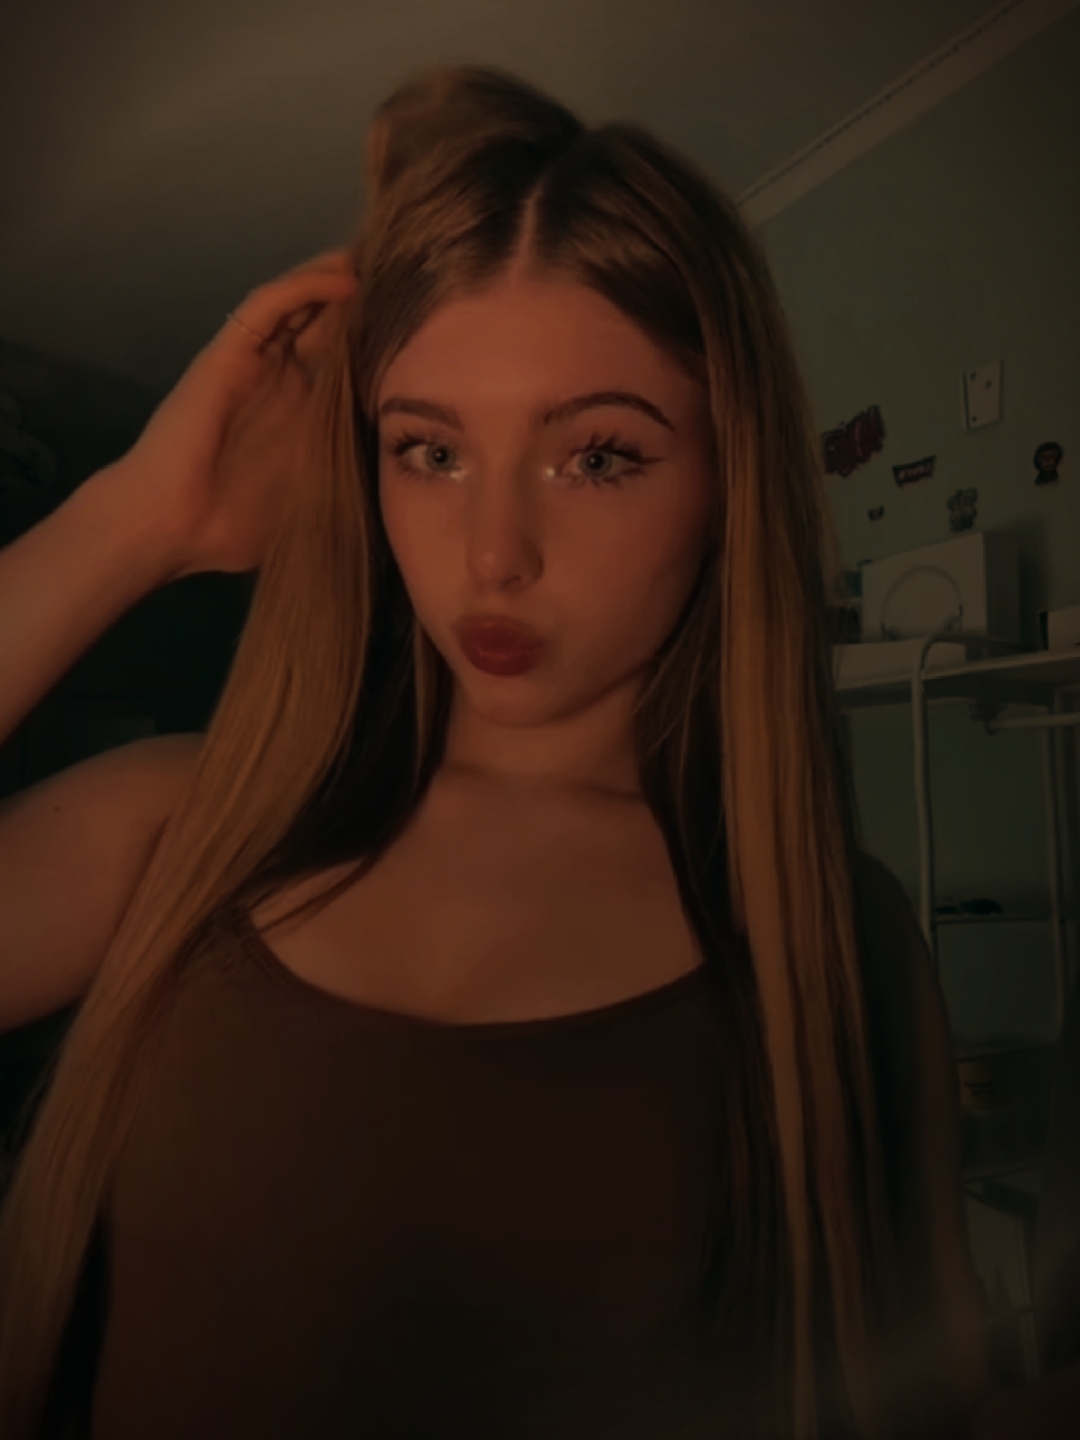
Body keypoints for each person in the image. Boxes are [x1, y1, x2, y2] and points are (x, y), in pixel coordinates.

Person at [0, 62, 1049, 1440]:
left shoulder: (827, 941)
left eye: (597, 456)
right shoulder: (183, 829)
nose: (493, 553)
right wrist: (136, 516)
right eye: (429, 453)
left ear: (728, 477)